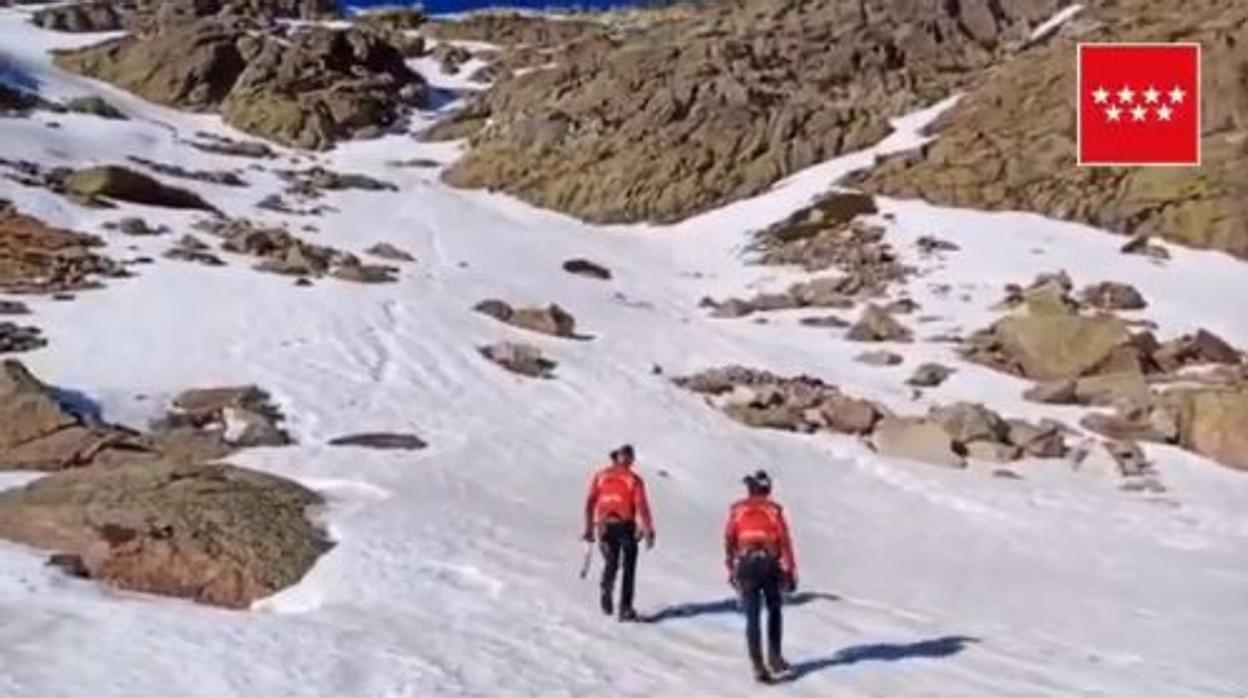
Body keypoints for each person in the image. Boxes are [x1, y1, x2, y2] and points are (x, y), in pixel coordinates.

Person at [724, 470, 797, 683]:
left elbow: (729, 539)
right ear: (767, 489)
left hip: (745, 564)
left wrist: (731, 568)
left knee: (752, 616)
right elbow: (785, 541)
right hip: (769, 564)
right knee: (774, 609)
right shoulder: (774, 510)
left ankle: (757, 665)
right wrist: (790, 570)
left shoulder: (737, 510)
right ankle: (774, 657)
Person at [583, 444, 655, 622]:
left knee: (612, 560)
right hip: (624, 524)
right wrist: (648, 530)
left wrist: (589, 528)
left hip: (604, 524)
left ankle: (607, 586)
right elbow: (641, 506)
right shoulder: (633, 479)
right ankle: (625, 608)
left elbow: (590, 502)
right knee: (629, 565)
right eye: (630, 457)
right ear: (627, 459)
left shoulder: (601, 476)